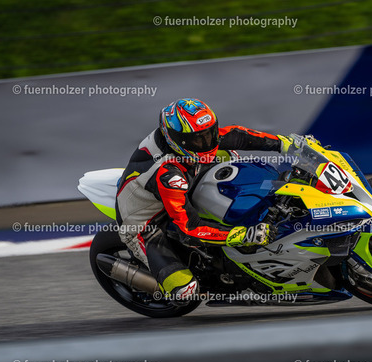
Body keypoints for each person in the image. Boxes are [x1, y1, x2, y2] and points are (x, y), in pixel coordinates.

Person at [115, 98, 285, 304]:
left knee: (230, 157)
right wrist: (242, 235)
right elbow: (190, 228)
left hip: (178, 187)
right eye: (198, 139)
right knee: (184, 292)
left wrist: (284, 143)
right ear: (179, 141)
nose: (207, 142)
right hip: (146, 225)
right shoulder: (168, 175)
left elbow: (237, 135)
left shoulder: (187, 140)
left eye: (209, 133)